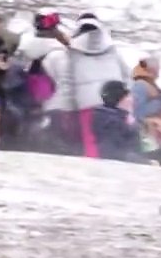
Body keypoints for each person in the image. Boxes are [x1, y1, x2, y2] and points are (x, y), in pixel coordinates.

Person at [40, 13, 130, 158]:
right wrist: (125, 99)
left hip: (87, 104)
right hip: (115, 102)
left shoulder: (74, 50)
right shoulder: (112, 49)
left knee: (91, 142)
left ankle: (93, 170)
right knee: (116, 139)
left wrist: (67, 108)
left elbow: (68, 82)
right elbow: (126, 76)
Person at [91, 80, 148, 164]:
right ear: (119, 99)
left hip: (134, 161)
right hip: (123, 168)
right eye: (128, 96)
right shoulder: (109, 122)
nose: (132, 99)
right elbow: (114, 153)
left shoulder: (120, 117)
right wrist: (146, 162)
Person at [130, 55, 161, 146]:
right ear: (151, 69)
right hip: (149, 138)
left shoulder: (149, 84)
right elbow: (138, 112)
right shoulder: (140, 85)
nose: (159, 72)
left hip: (157, 137)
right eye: (158, 68)